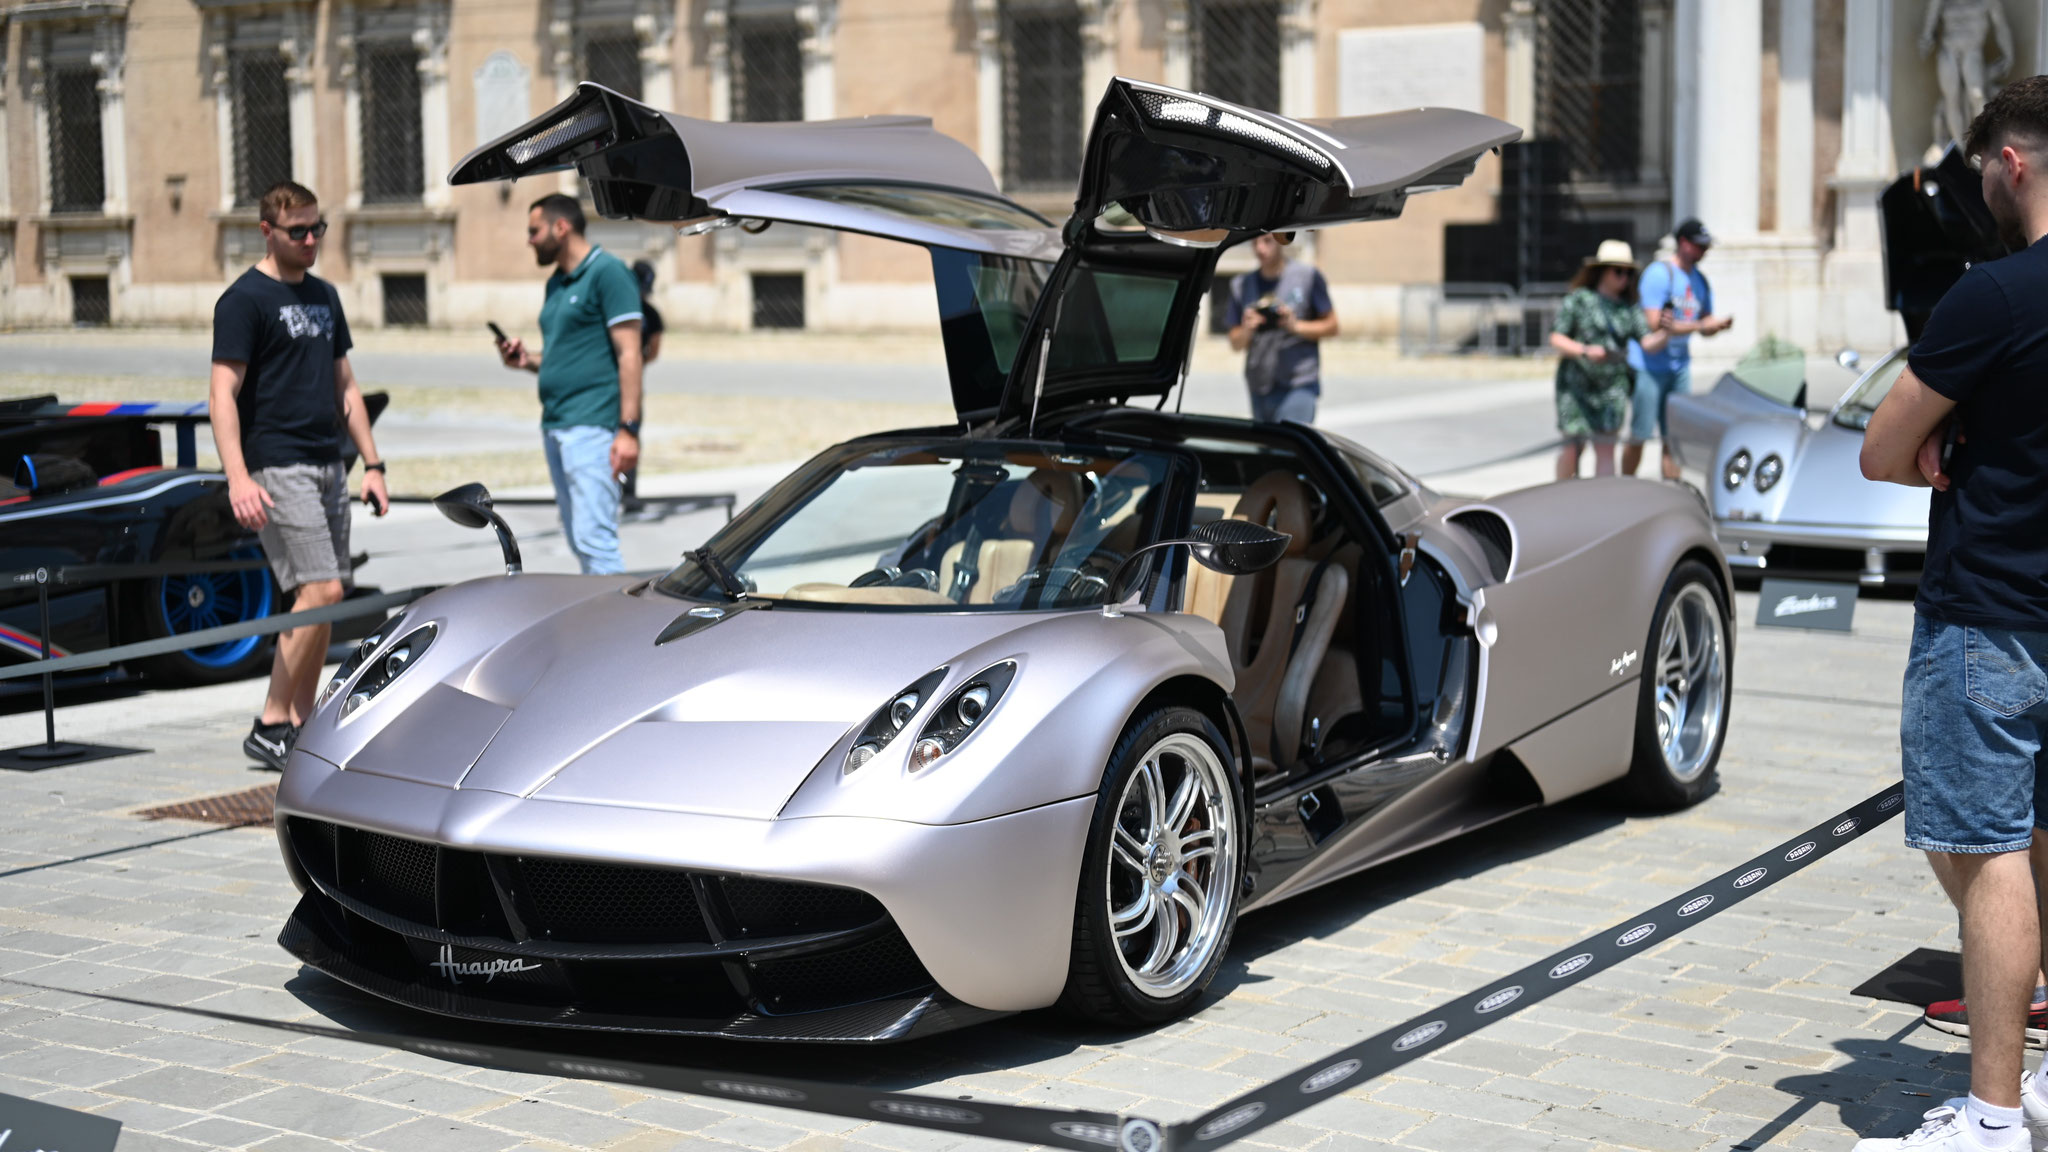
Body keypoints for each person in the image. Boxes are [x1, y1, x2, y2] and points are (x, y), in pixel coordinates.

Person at [1854, 75, 2048, 1152]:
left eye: (1978, 168)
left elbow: (1882, 448)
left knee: (1985, 858)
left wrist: (1942, 436)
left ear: (2007, 163)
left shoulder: (1992, 295)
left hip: (1990, 616)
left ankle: (1986, 1117)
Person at [207, 181, 389, 771]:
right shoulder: (243, 301)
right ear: (267, 231)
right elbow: (222, 393)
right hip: (276, 463)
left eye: (318, 229)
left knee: (321, 598)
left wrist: (374, 464)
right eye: (298, 231)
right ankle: (270, 722)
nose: (311, 240)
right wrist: (238, 476)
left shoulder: (324, 296)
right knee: (321, 590)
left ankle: (300, 724)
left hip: (329, 464)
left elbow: (347, 386)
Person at [496, 194, 643, 575]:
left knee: (597, 542)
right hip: (556, 427)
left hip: (592, 428)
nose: (529, 240)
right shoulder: (556, 284)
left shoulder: (608, 273)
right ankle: (601, 626)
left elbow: (630, 354)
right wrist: (527, 359)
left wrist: (628, 430)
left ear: (561, 227)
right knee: (580, 540)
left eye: (534, 231)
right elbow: (563, 355)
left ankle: (616, 630)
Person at [1549, 240, 1670, 480]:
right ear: (1602, 271)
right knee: (1572, 449)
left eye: (1628, 273)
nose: (1624, 278)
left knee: (1606, 450)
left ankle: (1601, 505)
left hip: (1611, 388)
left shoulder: (1629, 308)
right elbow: (1556, 337)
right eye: (1618, 271)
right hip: (1576, 387)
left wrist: (1667, 332)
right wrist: (1584, 350)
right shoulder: (1580, 299)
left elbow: (1647, 343)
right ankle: (1560, 498)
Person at [1625, 219, 1734, 479]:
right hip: (1649, 367)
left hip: (1679, 366)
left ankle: (1672, 492)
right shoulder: (1659, 274)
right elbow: (1654, 325)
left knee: (1673, 437)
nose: (1704, 251)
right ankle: (1625, 483)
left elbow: (1703, 322)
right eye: (1700, 246)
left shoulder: (1700, 281)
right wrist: (1699, 325)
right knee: (1640, 434)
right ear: (1683, 243)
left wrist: (1715, 326)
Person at [1225, 232, 1338, 423]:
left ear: (1281, 240)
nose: (1260, 248)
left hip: (1298, 384)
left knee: (1291, 448)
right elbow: (1235, 344)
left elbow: (1333, 327)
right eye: (1255, 242)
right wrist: (1248, 328)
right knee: (1267, 451)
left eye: (1267, 241)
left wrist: (1296, 326)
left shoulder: (1308, 277)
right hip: (1259, 386)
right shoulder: (1242, 285)